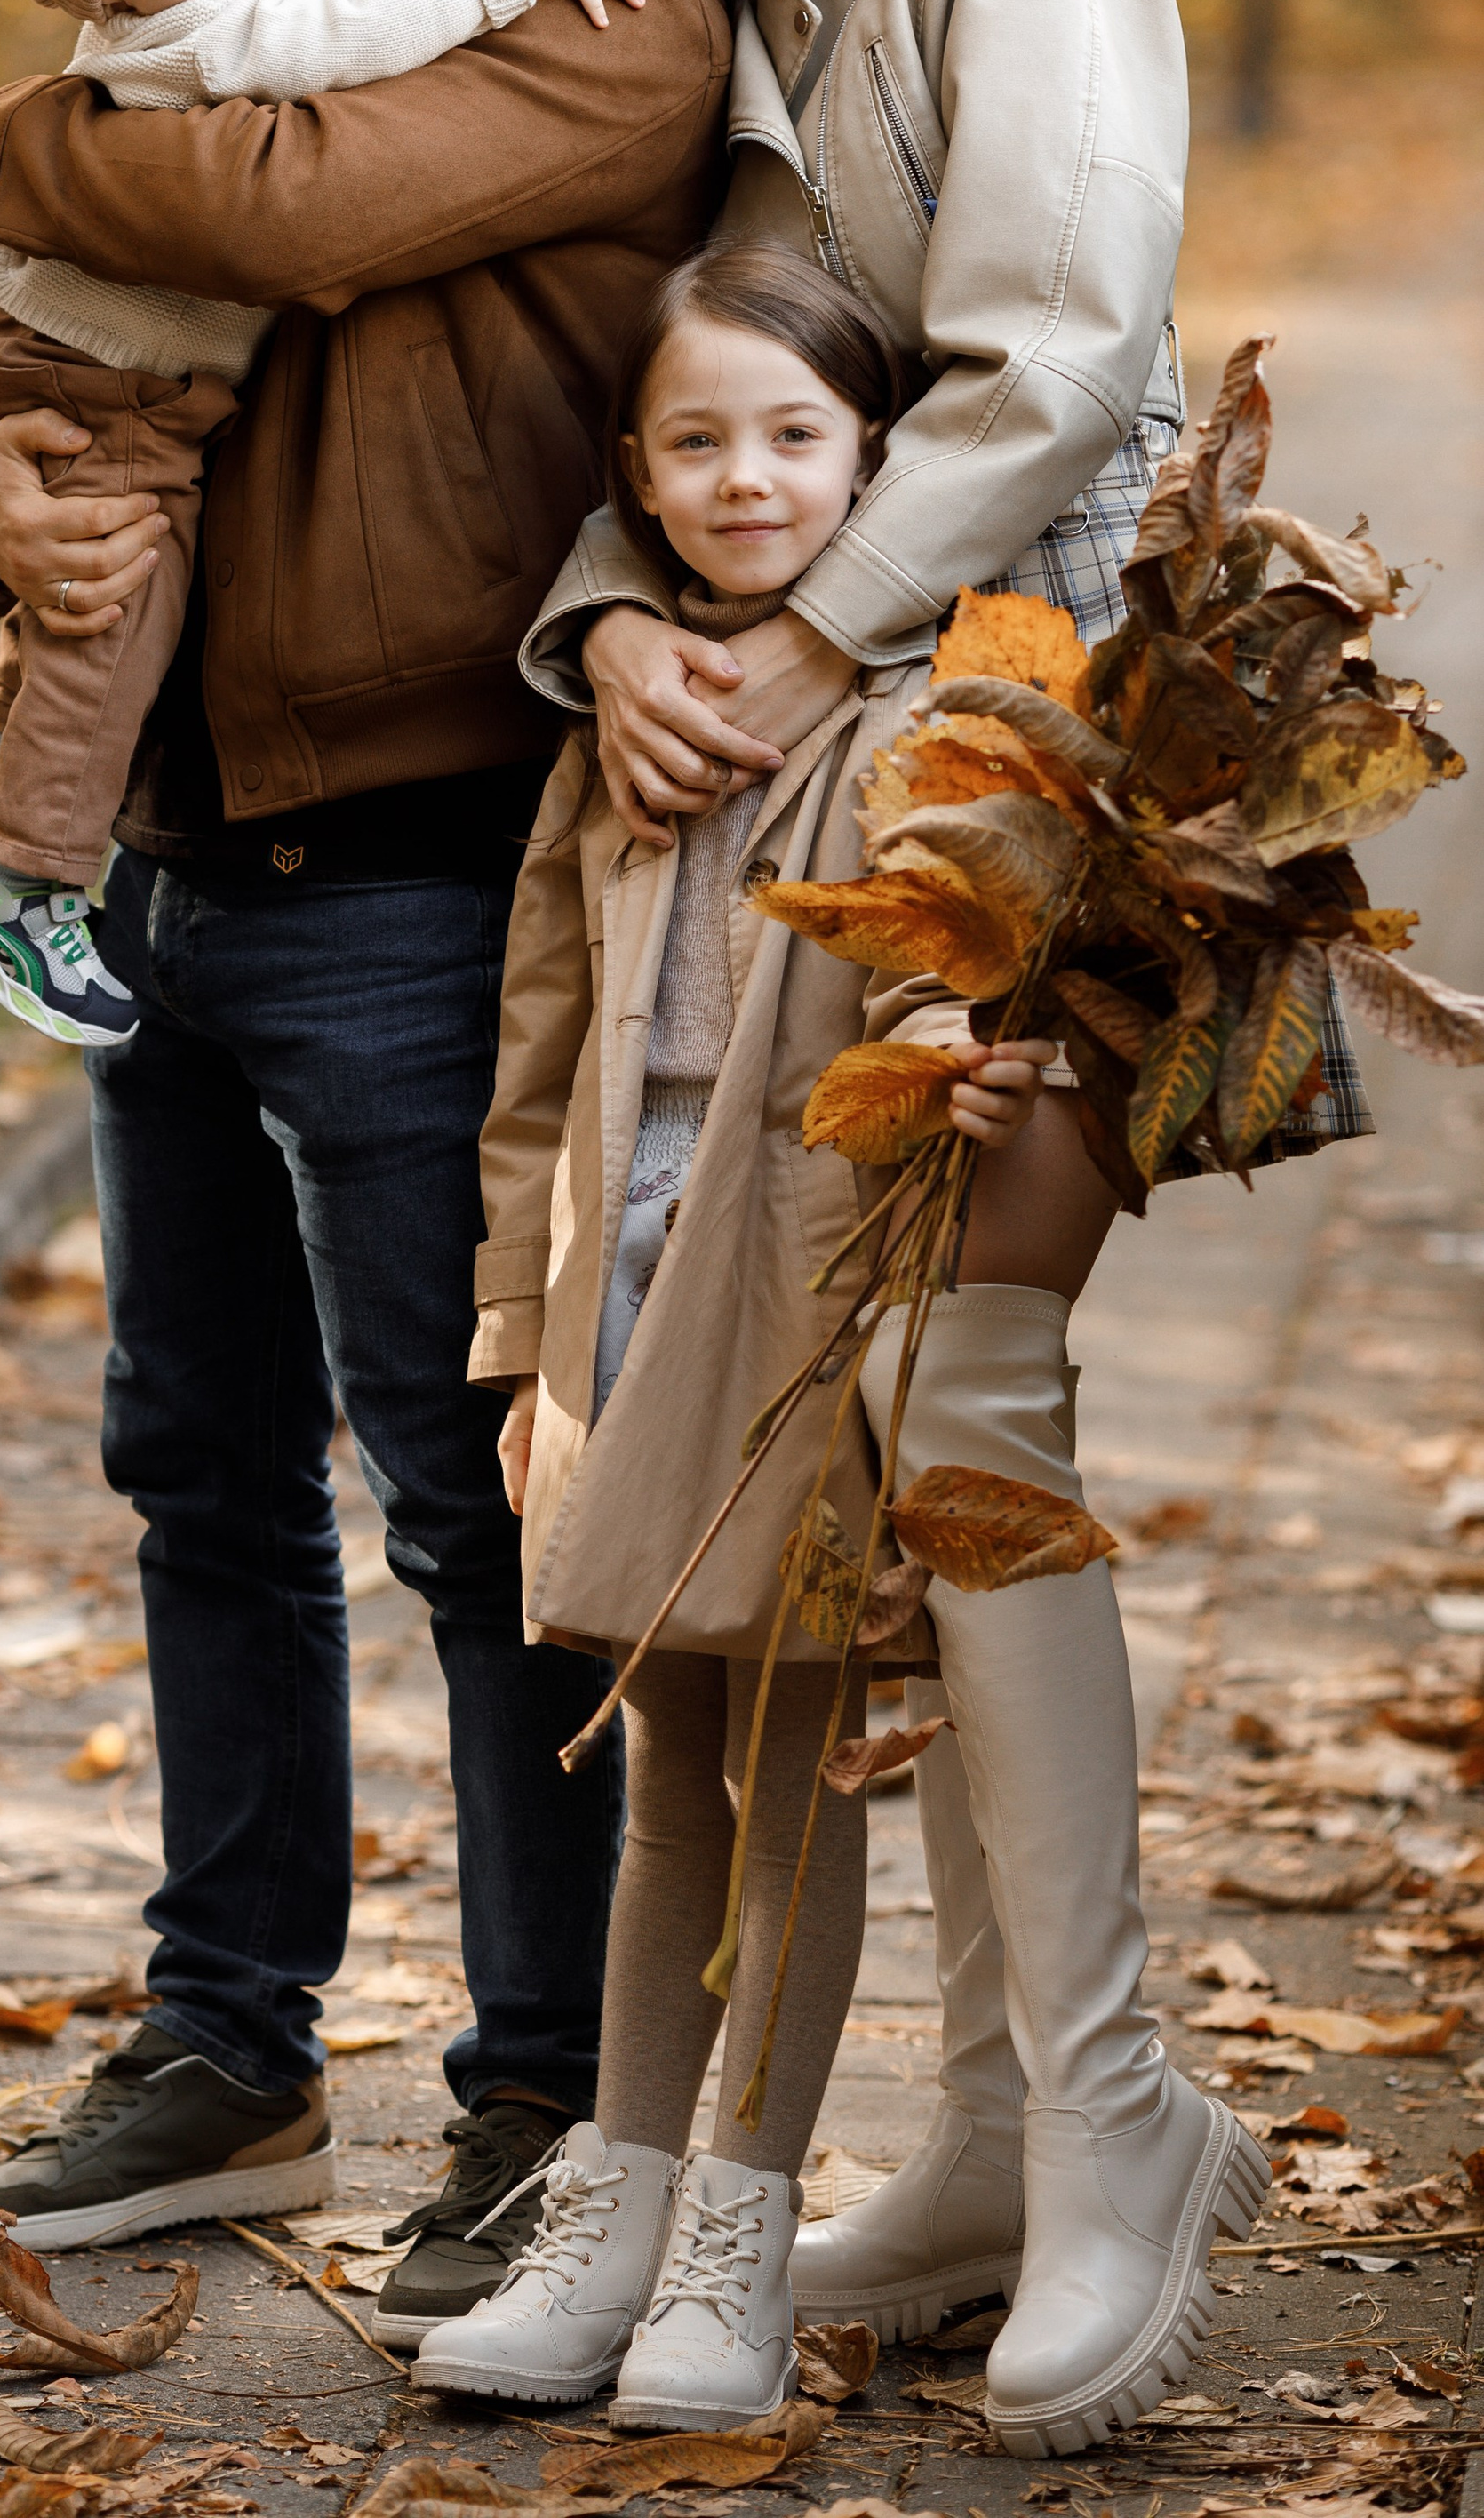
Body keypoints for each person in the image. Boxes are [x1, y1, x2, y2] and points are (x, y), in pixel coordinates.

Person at [503, 0, 1315, 2455]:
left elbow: (1061, 357)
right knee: (895, 1414)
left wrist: (802, 635)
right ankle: (986, 2137)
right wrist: (624, 612)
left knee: (965, 1399)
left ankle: (1117, 2131)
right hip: (869, 724)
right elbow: (735, 362)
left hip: (1050, 732)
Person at [0, 0, 736, 2338]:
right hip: (167, 859)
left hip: (421, 886)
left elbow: (279, 202)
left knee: (477, 1510)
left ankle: (547, 2099)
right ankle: (229, 2037)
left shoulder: (596, 23)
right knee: (195, 1477)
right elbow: (57, 348)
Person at [411, 245, 1096, 2426]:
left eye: (793, 437)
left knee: (789, 1767)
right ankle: (609, 2218)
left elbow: (933, 953)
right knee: (660, 1770)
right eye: (695, 441)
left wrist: (954, 1059)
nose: (742, 480)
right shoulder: (621, 729)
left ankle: (734, 2237)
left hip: (803, 1263)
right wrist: (520, 1348)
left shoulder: (929, 714)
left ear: (870, 462)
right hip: (622, 1269)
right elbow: (535, 1054)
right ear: (635, 470)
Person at [0, 0, 641, 1050]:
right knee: (118, 615)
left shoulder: (149, 35)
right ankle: (20, 889)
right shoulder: (228, 32)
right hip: (113, 396)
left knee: (86, 604)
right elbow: (347, 47)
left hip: (70, 362)